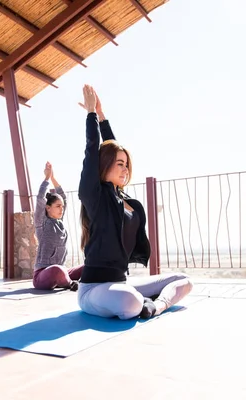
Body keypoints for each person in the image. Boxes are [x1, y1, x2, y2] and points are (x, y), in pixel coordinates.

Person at [77, 85, 193, 320]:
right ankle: (142, 304)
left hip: (121, 284)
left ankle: (156, 306)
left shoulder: (124, 200)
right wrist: (91, 115)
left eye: (126, 163)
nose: (125, 168)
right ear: (106, 164)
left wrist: (102, 116)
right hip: (94, 290)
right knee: (128, 301)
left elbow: (113, 149)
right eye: (119, 163)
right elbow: (93, 153)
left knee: (183, 281)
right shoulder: (95, 197)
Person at [33, 162, 83, 291]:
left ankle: (69, 280)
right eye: (57, 206)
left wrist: (54, 178)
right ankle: (70, 283)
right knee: (58, 270)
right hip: (43, 275)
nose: (61, 208)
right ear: (48, 208)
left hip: (62, 270)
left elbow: (63, 197)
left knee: (88, 266)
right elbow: (40, 199)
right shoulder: (42, 223)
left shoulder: (60, 221)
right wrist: (47, 178)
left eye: (62, 206)